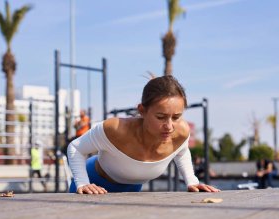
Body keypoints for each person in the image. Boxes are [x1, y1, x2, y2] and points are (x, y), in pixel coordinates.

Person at [67, 75, 220, 194]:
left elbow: (182, 152)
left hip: (132, 191)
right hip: (93, 184)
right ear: (142, 110)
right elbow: (75, 147)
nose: (169, 126)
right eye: (160, 117)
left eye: (176, 117)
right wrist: (82, 182)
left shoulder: (181, 131)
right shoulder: (116, 129)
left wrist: (192, 181)